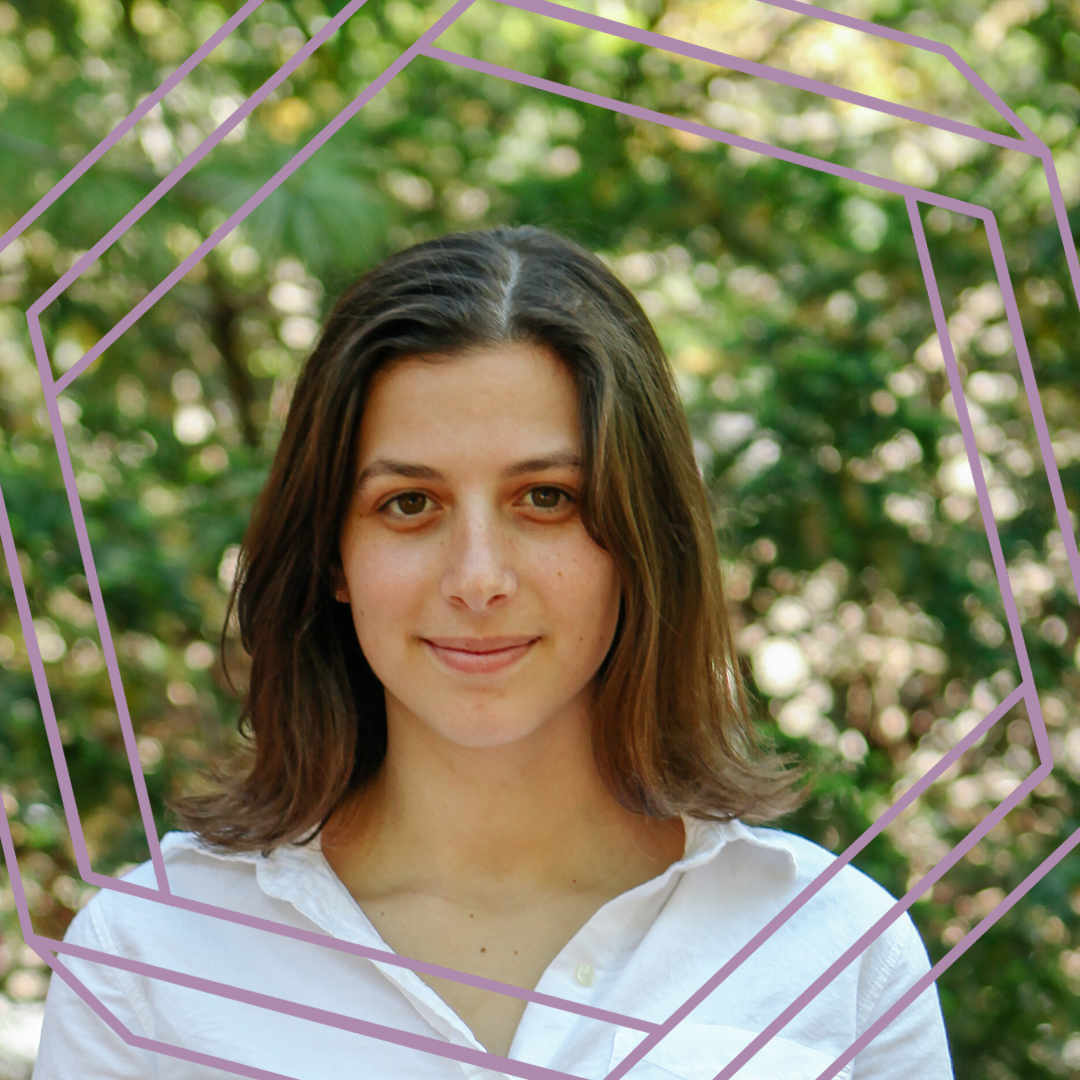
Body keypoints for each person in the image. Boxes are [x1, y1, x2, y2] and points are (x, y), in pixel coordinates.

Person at [33, 225, 953, 1080]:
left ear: (640, 538)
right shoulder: (150, 962)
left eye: (546, 498)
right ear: (333, 556)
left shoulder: (836, 956)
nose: (478, 578)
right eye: (409, 504)